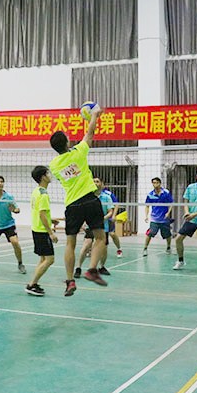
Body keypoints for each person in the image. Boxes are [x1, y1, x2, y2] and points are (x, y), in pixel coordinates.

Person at [49, 105, 107, 296]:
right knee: (100, 238)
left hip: (72, 205)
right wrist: (94, 116)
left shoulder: (54, 165)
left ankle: (70, 281)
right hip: (90, 200)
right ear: (67, 142)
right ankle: (92, 270)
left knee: (70, 244)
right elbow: (90, 133)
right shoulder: (79, 152)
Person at [25, 166, 58, 296]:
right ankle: (31, 284)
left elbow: (40, 212)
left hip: (36, 228)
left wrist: (51, 220)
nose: (50, 175)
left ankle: (33, 283)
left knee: (43, 259)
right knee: (50, 260)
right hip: (42, 231)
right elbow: (42, 214)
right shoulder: (43, 194)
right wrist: (51, 232)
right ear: (43, 177)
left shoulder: (36, 191)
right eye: (48, 173)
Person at [74, 177, 114, 278]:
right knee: (86, 245)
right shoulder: (87, 197)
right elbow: (83, 211)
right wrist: (82, 223)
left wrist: (102, 219)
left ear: (102, 184)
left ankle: (101, 267)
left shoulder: (107, 197)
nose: (95, 183)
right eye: (93, 182)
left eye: (97, 181)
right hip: (90, 226)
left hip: (102, 226)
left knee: (103, 249)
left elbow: (110, 212)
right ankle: (78, 268)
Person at [143, 177, 173, 256]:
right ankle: (145, 248)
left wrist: (168, 213)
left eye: (156, 183)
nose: (155, 184)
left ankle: (168, 247)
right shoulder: (150, 195)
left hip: (164, 219)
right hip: (154, 219)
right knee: (150, 233)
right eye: (153, 183)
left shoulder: (166, 192)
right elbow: (147, 206)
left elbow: (171, 204)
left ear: (160, 183)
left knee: (167, 235)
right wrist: (146, 216)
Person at [101, 185, 123, 258]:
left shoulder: (108, 194)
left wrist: (113, 215)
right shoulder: (93, 193)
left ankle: (119, 249)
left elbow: (116, 204)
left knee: (112, 234)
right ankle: (90, 250)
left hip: (108, 218)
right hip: (97, 218)